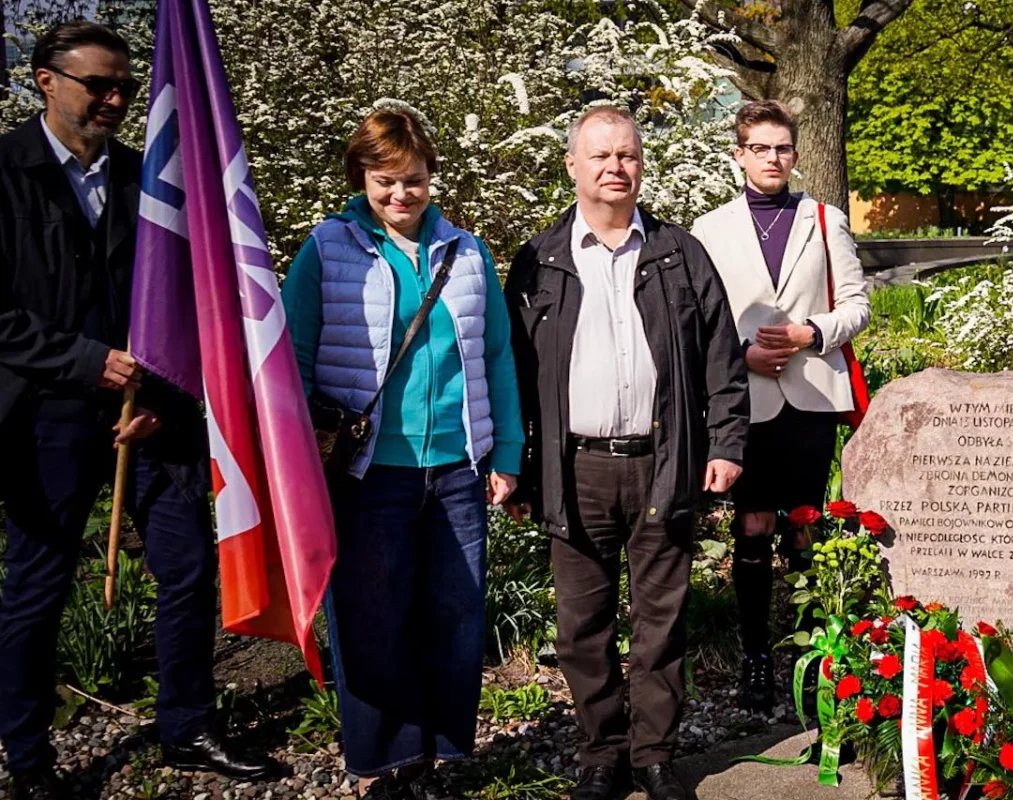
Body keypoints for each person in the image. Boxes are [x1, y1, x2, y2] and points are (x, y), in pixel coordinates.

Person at [0, 21, 277, 799]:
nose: (117, 100)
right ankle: (28, 757)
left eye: (126, 85)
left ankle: (186, 725)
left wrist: (156, 392)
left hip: (151, 417)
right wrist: (89, 364)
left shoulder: (148, 178)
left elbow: (186, 305)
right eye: (100, 85)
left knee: (187, 574)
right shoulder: (6, 173)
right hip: (44, 418)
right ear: (46, 80)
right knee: (39, 585)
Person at [506, 105, 749, 800]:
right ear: (572, 167)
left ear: (642, 164)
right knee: (583, 627)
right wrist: (520, 470)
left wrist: (727, 443)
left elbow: (722, 363)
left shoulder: (678, 253)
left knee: (660, 623)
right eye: (602, 156)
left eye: (628, 155)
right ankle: (601, 755)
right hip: (574, 469)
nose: (616, 168)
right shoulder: (540, 260)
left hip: (662, 462)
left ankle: (654, 755)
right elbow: (516, 372)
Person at [282, 105, 523, 797]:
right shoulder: (329, 248)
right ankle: (382, 762)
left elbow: (497, 357)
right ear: (362, 177)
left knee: (453, 616)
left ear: (431, 177)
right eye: (384, 180)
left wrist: (505, 452)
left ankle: (440, 755)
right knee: (371, 618)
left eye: (413, 180)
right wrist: (296, 465)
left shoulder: (467, 253)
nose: (400, 195)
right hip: (368, 473)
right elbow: (292, 358)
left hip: (455, 470)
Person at [689, 100, 870, 710]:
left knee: (803, 525)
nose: (773, 158)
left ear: (795, 153)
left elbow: (857, 305)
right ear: (739, 155)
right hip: (747, 399)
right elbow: (699, 322)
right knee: (752, 523)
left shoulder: (825, 219)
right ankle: (757, 656)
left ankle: (813, 655)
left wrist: (809, 334)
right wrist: (741, 357)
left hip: (813, 393)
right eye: (760, 148)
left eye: (782, 148)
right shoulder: (709, 230)